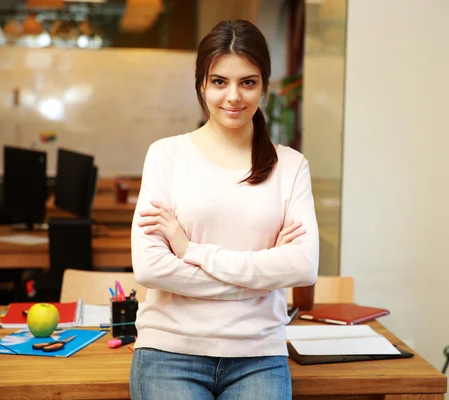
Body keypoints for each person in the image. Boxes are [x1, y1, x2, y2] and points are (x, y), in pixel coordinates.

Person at [130, 20, 319, 400]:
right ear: (201, 84)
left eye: (247, 82)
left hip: (258, 354)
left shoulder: (291, 166)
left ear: (264, 85)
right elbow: (151, 268)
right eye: (219, 82)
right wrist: (263, 273)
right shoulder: (166, 155)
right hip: (170, 350)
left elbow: (302, 268)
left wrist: (191, 252)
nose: (233, 96)